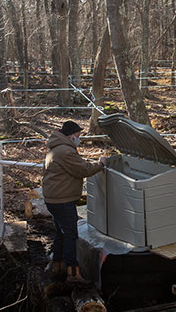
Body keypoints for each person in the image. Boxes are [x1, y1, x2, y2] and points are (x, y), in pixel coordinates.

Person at [42, 121, 107, 284]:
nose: (79, 139)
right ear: (70, 136)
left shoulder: (56, 148)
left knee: (60, 233)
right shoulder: (65, 151)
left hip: (53, 199)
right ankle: (73, 273)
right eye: (78, 136)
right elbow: (83, 169)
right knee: (71, 235)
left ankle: (57, 266)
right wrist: (101, 164)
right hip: (62, 200)